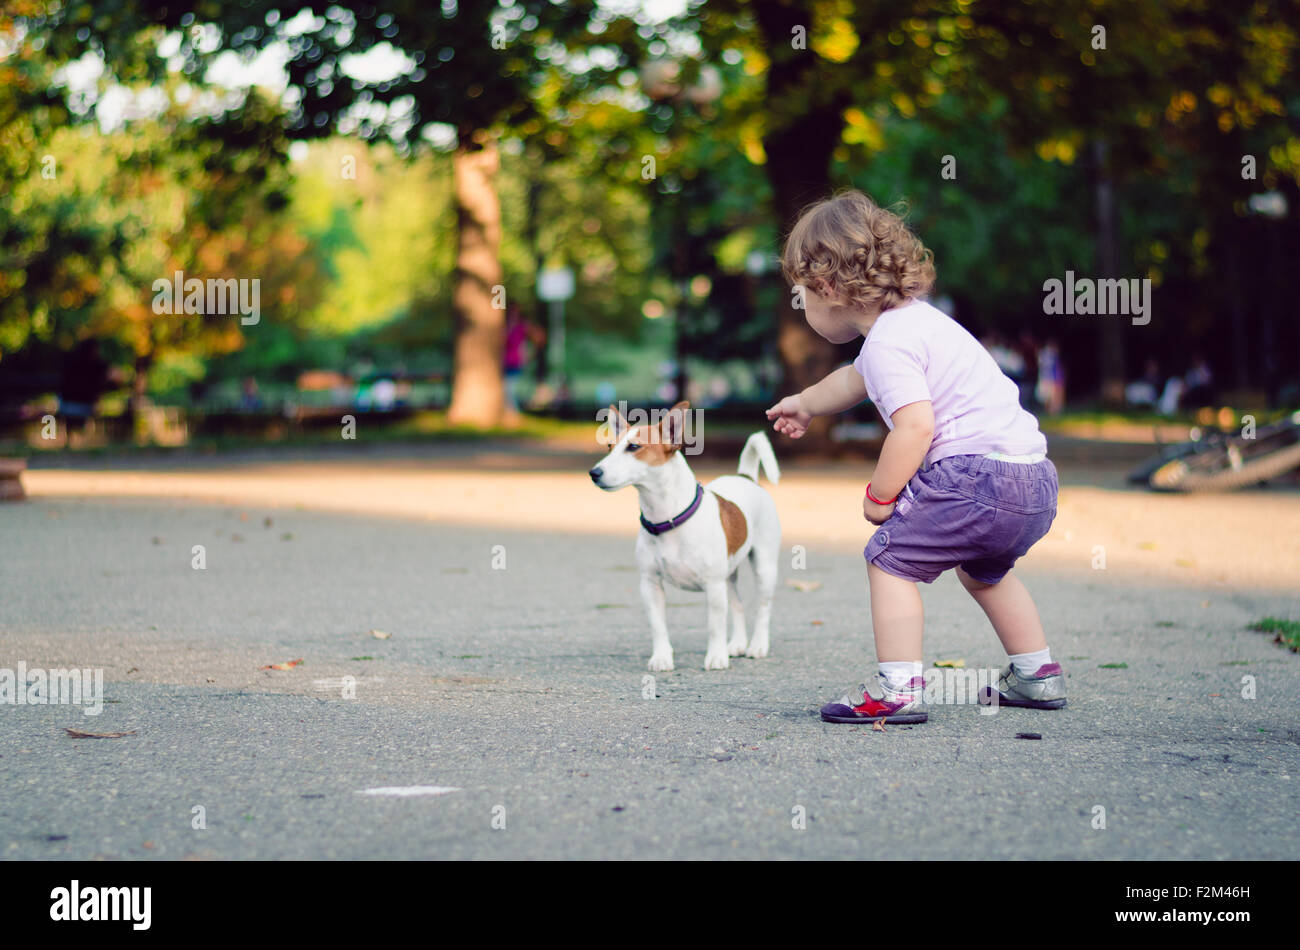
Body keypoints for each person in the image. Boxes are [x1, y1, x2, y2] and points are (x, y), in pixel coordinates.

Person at [766, 190, 1065, 723]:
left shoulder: (888, 344)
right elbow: (855, 379)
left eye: (801, 294)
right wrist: (806, 404)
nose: (801, 305)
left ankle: (898, 688)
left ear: (828, 287)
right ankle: (1037, 674)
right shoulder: (918, 324)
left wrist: (880, 496)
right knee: (985, 572)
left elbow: (915, 427)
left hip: (974, 478)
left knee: (889, 560)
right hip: (1033, 480)